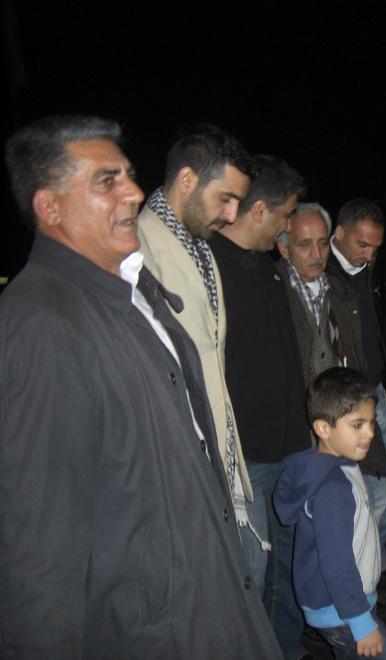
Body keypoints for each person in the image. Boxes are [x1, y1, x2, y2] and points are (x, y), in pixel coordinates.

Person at [0, 115, 282, 659]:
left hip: (199, 592)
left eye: (128, 175)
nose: (132, 191)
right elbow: (37, 545)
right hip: (152, 625)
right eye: (106, 181)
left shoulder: (132, 290)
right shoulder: (40, 322)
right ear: (50, 207)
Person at [137, 123, 260, 553]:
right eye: (225, 198)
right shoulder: (136, 250)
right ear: (187, 180)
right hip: (177, 462)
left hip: (214, 449)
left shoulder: (200, 247)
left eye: (238, 202)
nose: (231, 215)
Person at [210, 154, 313, 659]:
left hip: (290, 449)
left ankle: (285, 648)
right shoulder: (209, 269)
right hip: (246, 459)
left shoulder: (271, 271)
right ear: (259, 211)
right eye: (286, 215)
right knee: (249, 570)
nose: (288, 226)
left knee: (290, 564)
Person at [273, 367, 386, 660]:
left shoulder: (336, 465)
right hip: (343, 612)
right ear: (323, 429)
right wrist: (361, 623)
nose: (370, 433)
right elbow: (337, 563)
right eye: (357, 425)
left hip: (343, 605)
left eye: (371, 422)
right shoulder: (332, 489)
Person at [276, 204, 386, 546]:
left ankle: (366, 566)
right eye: (304, 244)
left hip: (347, 415)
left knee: (374, 492)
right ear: (284, 247)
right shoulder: (273, 292)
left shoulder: (340, 291)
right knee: (313, 520)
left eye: (322, 243)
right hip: (303, 428)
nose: (317, 253)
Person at [326, 198, 386, 580]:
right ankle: (362, 573)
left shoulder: (368, 270)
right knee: (373, 491)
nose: (369, 255)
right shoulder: (322, 273)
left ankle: (378, 554)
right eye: (362, 244)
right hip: (347, 402)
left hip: (376, 391)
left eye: (376, 247)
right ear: (339, 233)